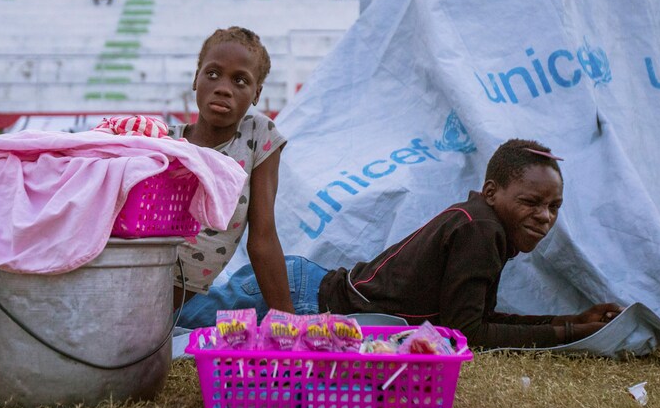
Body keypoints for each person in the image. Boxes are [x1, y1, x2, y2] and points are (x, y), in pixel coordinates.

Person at [0, 26, 296, 376]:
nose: (224, 87)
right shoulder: (161, 144)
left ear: (256, 95)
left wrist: (288, 329)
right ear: (195, 80)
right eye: (213, 73)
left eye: (241, 81)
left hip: (153, 300)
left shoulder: (259, 139)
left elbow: (262, 239)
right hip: (94, 270)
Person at [177, 139, 625, 349]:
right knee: (166, 319)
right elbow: (469, 335)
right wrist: (571, 333)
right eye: (531, 201)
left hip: (306, 289)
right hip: (299, 299)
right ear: (492, 193)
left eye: (554, 207)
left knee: (174, 318)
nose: (544, 216)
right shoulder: (480, 229)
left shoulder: (482, 224)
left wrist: (571, 320)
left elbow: (471, 322)